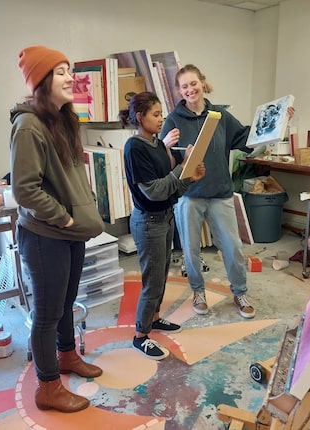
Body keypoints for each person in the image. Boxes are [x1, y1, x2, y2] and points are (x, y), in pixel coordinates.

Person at [10, 45, 105, 413]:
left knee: (66, 303)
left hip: (70, 232)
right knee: (47, 313)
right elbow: (25, 189)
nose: (71, 77)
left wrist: (78, 214)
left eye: (70, 70)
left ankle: (67, 356)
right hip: (46, 234)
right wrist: (64, 217)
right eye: (62, 71)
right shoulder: (29, 125)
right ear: (42, 80)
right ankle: (47, 387)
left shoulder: (64, 120)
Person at [161, 64, 294, 319]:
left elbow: (249, 139)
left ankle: (240, 292)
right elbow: (165, 161)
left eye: (193, 83)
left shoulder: (219, 116)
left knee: (232, 247)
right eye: (184, 86)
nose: (190, 89)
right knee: (190, 249)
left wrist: (281, 121)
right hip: (189, 195)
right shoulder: (173, 120)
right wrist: (166, 146)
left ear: (202, 82)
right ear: (179, 90)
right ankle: (198, 292)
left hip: (220, 193)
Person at [119, 92, 205, 360]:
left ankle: (154, 319)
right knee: (151, 281)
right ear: (139, 117)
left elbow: (170, 185)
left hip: (164, 217)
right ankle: (141, 335)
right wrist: (182, 171)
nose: (161, 119)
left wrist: (189, 175)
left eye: (161, 114)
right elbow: (155, 191)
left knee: (161, 275)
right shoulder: (135, 147)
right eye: (155, 115)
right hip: (148, 222)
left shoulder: (156, 144)